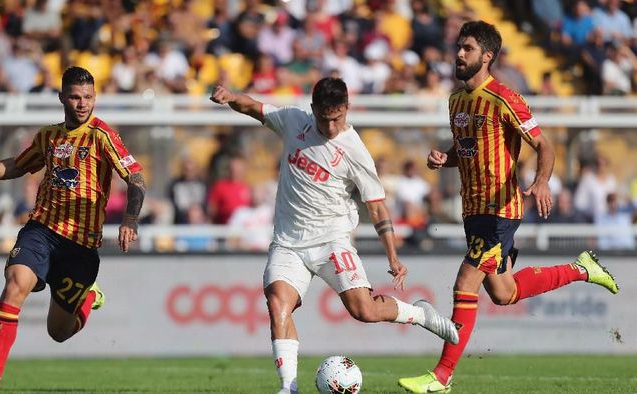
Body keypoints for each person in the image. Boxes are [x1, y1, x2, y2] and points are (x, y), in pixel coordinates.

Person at [397, 21, 619, 394]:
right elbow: (468, 150)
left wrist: (544, 180)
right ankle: (582, 269)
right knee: (503, 293)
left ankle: (441, 377)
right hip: (473, 211)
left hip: (501, 210)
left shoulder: (504, 97)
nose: (459, 54)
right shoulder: (455, 101)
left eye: (467, 48)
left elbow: (544, 145)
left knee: (465, 282)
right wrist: (445, 158)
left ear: (488, 56)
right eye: (458, 47)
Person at [210, 77, 459, 394]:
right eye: (324, 119)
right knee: (278, 303)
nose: (330, 127)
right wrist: (230, 96)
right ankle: (289, 386)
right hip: (288, 242)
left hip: (332, 241)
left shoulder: (355, 150)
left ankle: (420, 313)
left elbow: (378, 207)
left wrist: (393, 257)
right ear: (313, 109)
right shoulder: (293, 121)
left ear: (346, 109)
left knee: (364, 311)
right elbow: (252, 107)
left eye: (337, 118)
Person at [0, 66, 145, 394]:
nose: (82, 104)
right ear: (62, 97)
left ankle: (89, 296)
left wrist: (130, 221)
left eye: (88, 97)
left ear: (95, 98)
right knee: (15, 283)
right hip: (42, 230)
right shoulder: (49, 136)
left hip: (80, 245)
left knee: (58, 332)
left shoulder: (102, 135)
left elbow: (135, 178)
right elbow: (17, 165)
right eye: (75, 97)